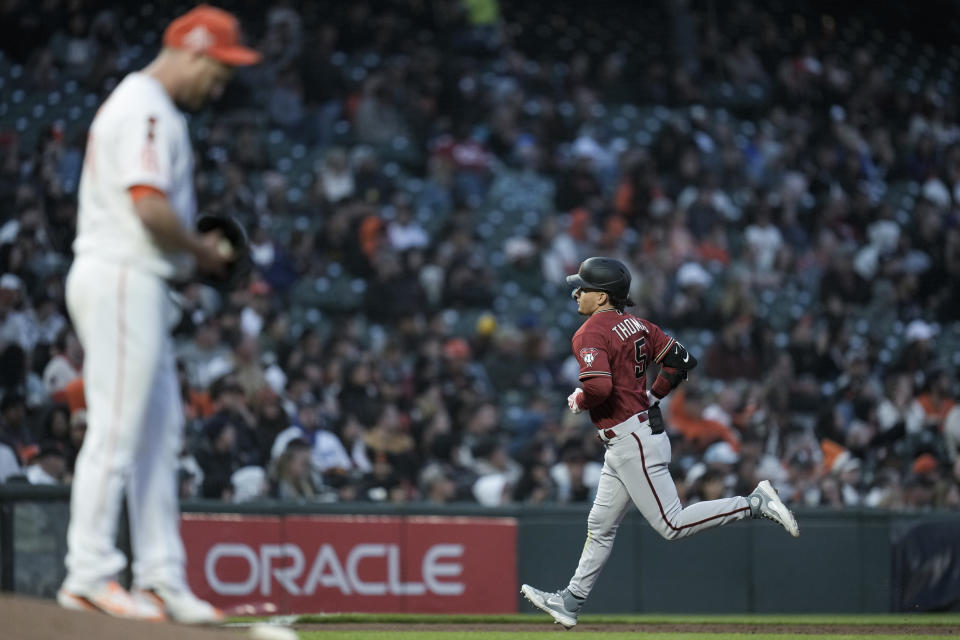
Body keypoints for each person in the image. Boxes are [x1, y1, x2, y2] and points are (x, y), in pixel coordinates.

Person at [57, 5, 260, 624]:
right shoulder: (144, 104)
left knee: (158, 436)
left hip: (139, 280)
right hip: (122, 275)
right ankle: (88, 573)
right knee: (117, 431)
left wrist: (186, 259)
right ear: (194, 51)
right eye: (218, 68)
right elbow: (146, 205)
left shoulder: (152, 107)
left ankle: (160, 578)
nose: (220, 82)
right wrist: (201, 249)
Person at [521, 257, 799, 629]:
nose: (577, 292)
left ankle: (754, 503)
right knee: (600, 525)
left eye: (584, 287)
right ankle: (571, 602)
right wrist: (652, 396)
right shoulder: (639, 325)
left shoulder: (590, 332)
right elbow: (682, 360)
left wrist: (580, 398)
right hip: (630, 436)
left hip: (630, 439)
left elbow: (599, 386)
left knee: (672, 524)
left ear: (602, 297)